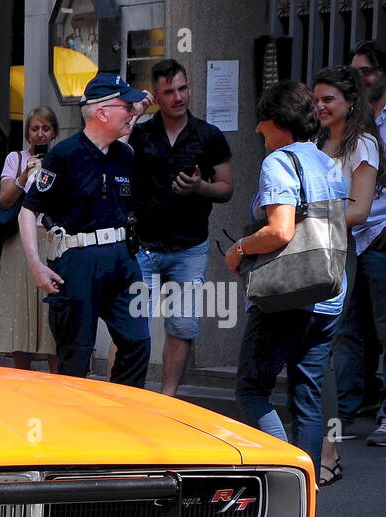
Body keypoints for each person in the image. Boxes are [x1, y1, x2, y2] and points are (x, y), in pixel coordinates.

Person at [226, 81, 347, 469]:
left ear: (278, 121)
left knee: (251, 391)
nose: (258, 129)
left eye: (262, 120)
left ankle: (284, 473)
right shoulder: (325, 161)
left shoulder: (279, 161)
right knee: (307, 397)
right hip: (328, 293)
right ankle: (308, 486)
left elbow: (280, 230)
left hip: (288, 294)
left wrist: (240, 248)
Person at [18, 73, 152, 387]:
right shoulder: (64, 155)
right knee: (76, 356)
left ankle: (121, 418)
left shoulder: (123, 154)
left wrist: (136, 110)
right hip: (77, 261)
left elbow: (126, 130)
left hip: (122, 260)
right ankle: (72, 430)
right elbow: (28, 210)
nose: (132, 113)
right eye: (125, 107)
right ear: (102, 112)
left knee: (137, 344)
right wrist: (36, 265)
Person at [126, 58, 234, 397]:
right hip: (143, 244)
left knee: (182, 325)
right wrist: (134, 113)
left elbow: (227, 187)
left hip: (189, 246)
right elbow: (110, 152)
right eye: (169, 91)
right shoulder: (140, 133)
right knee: (129, 325)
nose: (178, 96)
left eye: (183, 88)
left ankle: (167, 399)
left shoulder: (208, 135)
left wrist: (200, 188)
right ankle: (123, 397)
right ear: (156, 95)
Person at [312, 66, 386, 484]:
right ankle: (312, 444)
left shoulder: (364, 145)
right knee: (309, 351)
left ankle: (330, 449)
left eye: (329, 100)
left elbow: (357, 212)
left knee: (326, 352)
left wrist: (306, 216)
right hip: (305, 251)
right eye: (317, 99)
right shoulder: (317, 139)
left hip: (339, 255)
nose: (320, 106)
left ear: (351, 102)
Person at [0, 106, 60, 371]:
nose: (40, 134)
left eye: (45, 128)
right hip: (19, 241)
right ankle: (22, 377)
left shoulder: (62, 158)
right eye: (34, 129)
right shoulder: (15, 159)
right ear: (27, 133)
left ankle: (57, 378)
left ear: (53, 131)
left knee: (51, 311)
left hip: (52, 238)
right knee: (19, 309)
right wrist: (24, 176)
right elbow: (5, 199)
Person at [347, 42, 386, 443]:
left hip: (380, 235)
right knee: (349, 331)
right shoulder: (353, 120)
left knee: (384, 328)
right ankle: (346, 409)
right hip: (351, 237)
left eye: (368, 71)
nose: (361, 79)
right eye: (355, 73)